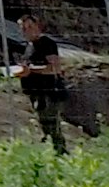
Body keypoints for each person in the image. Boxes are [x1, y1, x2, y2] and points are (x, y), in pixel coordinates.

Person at [13, 16, 96, 150]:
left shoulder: (46, 43)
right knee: (45, 127)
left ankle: (59, 152)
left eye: (30, 27)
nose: (26, 31)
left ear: (37, 26)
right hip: (36, 94)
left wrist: (31, 70)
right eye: (23, 29)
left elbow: (54, 68)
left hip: (49, 93)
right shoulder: (29, 46)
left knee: (52, 127)